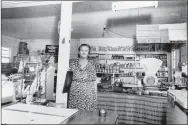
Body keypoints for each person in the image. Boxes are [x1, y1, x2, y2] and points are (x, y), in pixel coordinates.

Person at [68, 44, 97, 111]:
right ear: (79, 52)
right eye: (82, 50)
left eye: (86, 51)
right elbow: (68, 80)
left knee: (87, 115)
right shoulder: (72, 63)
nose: (84, 52)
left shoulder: (91, 64)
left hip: (88, 94)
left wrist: (95, 97)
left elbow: (94, 82)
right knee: (74, 114)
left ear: (88, 53)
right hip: (75, 94)